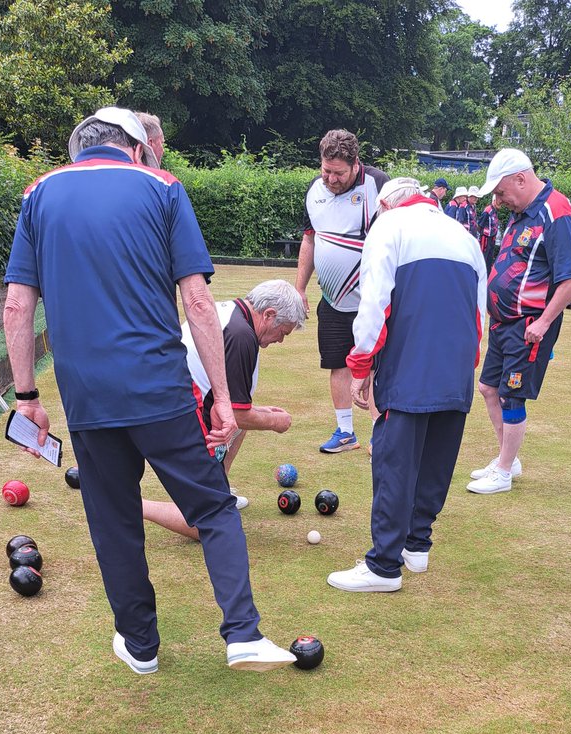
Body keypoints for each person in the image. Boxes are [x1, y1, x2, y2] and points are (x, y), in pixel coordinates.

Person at [3, 106, 295, 672]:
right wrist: (224, 402)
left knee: (113, 520)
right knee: (214, 507)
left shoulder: (39, 192)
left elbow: (17, 306)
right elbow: (200, 302)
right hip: (160, 387)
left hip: (86, 396)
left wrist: (27, 398)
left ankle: (141, 647)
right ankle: (243, 634)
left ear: (80, 147)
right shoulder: (162, 186)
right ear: (138, 147)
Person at [326, 178, 486, 592]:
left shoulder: (389, 227)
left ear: (384, 205)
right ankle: (417, 546)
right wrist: (465, 365)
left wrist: (360, 363)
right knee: (436, 460)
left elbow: (374, 303)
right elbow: (479, 312)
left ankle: (383, 566)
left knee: (394, 463)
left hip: (410, 366)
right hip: (456, 369)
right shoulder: (464, 235)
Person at [143, 279, 305, 539]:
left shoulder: (233, 313)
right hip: (177, 414)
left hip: (173, 401)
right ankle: (130, 504)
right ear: (268, 314)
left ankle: (219, 489)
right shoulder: (242, 336)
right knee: (207, 523)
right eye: (283, 332)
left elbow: (236, 406)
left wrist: (260, 412)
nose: (281, 340)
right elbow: (237, 414)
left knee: (243, 424)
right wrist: (275, 422)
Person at [467, 148, 571, 495]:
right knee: (488, 388)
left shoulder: (555, 210)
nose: (498, 201)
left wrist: (544, 322)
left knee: (512, 396)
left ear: (521, 179)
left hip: (529, 325)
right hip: (503, 322)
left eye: (501, 192)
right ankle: (508, 458)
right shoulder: (521, 212)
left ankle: (504, 471)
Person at [295, 129, 388, 453]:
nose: (331, 179)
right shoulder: (314, 189)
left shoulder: (378, 184)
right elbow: (309, 239)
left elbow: (394, 239)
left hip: (373, 301)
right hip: (332, 300)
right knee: (337, 363)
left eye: (339, 173)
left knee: (375, 366)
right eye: (326, 171)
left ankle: (380, 433)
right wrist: (300, 288)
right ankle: (346, 432)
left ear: (355, 164)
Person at [477, 190, 500, 272]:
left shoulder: (494, 210)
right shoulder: (487, 211)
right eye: (499, 202)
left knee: (490, 257)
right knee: (484, 256)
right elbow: (480, 225)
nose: (500, 205)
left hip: (492, 237)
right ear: (494, 201)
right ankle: (481, 273)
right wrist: (482, 235)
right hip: (486, 238)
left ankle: (488, 273)